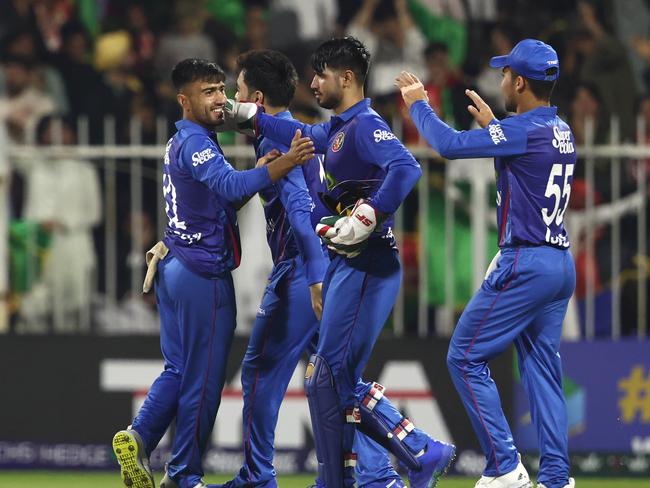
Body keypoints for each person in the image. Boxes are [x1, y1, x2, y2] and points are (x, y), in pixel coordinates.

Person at [226, 37, 455, 488]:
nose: (312, 83)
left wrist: (368, 215)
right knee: (326, 380)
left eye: (321, 75)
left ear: (345, 78)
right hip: (351, 265)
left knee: (329, 377)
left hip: (368, 265)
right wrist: (240, 114)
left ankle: (408, 457)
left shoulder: (366, 125)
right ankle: (374, 471)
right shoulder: (336, 131)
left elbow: (407, 167)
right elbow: (299, 136)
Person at [112, 58, 315, 488]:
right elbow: (230, 187)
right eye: (208, 92)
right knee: (204, 382)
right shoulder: (198, 144)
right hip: (202, 273)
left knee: (179, 369)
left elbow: (221, 201)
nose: (220, 99)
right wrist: (281, 165)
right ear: (184, 101)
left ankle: (140, 436)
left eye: (222, 89)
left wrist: (264, 172)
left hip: (174, 267)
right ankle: (184, 475)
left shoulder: (184, 141)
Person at [395, 38, 577, 488]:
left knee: (463, 356)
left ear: (519, 81)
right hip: (559, 263)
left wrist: (420, 106)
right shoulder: (561, 129)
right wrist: (497, 128)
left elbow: (451, 146)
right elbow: (527, 171)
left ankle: (504, 465)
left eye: (504, 74)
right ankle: (556, 478)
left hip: (526, 262)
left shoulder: (523, 130)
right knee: (542, 369)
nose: (499, 80)